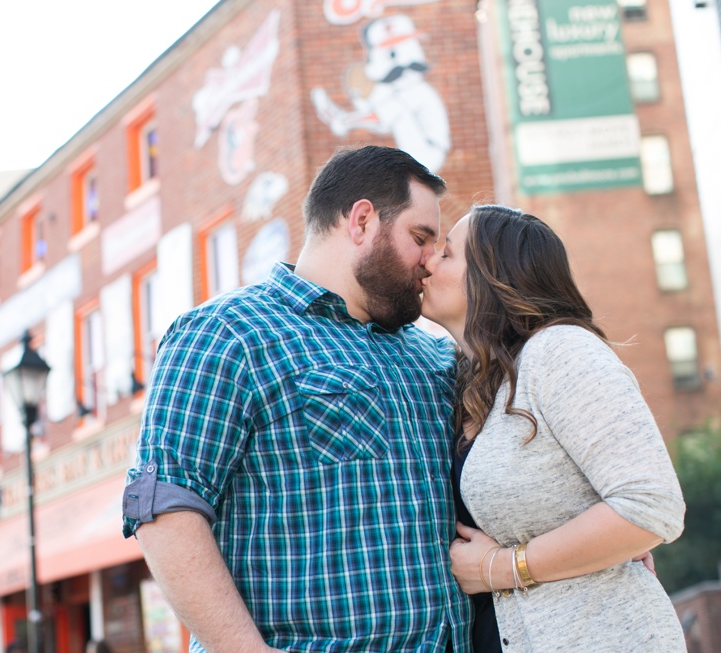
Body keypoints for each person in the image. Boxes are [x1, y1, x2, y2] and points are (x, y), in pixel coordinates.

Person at [122, 145, 471, 652]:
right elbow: (164, 507)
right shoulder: (226, 333)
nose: (431, 258)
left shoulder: (433, 354)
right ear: (363, 220)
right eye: (420, 237)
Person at [421, 205, 686, 652]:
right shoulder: (469, 380)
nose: (428, 260)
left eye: (446, 254)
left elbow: (650, 505)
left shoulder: (560, 353)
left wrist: (501, 568)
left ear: (492, 277)